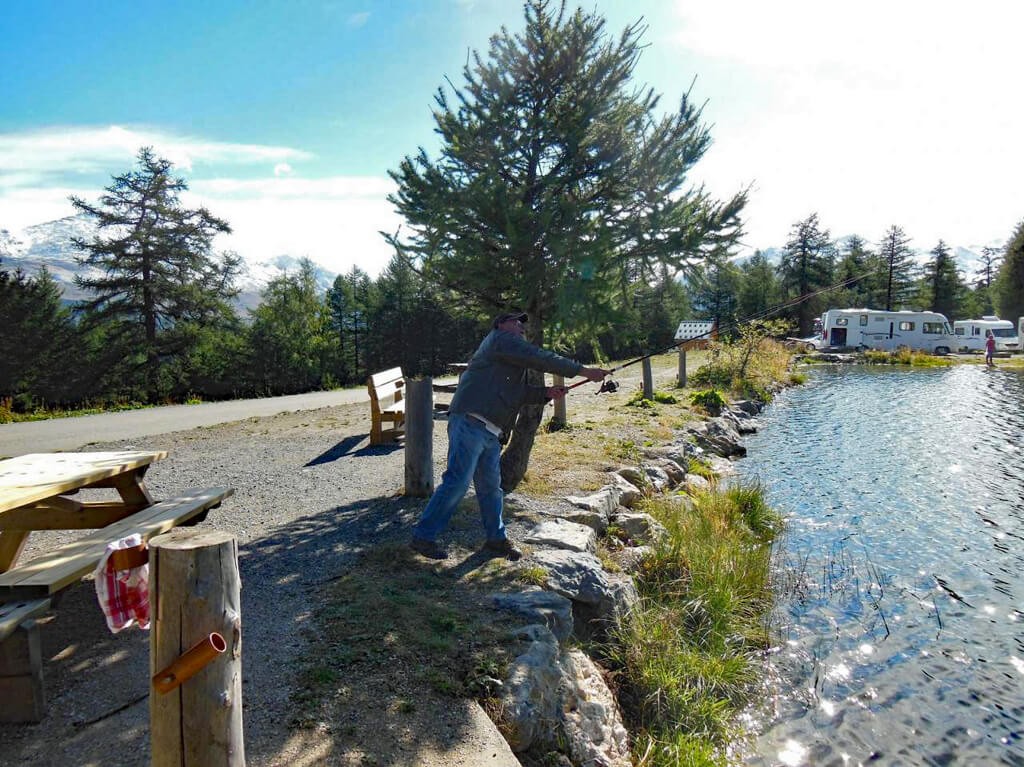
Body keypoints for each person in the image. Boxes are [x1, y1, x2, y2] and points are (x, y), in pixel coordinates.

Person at [410, 311, 610, 561]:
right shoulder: (499, 340)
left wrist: (546, 392)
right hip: (470, 422)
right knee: (458, 482)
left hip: (490, 431)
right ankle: (423, 536)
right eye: (517, 322)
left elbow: (516, 393)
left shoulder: (508, 359)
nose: (521, 327)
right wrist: (584, 371)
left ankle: (496, 539)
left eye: (523, 323)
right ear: (501, 324)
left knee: (492, 489)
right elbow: (539, 357)